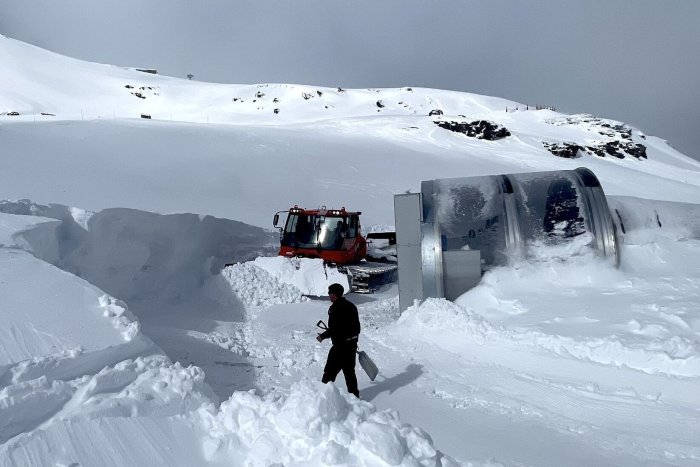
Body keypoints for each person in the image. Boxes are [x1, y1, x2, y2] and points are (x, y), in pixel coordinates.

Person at [317, 283, 361, 397]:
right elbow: (357, 328)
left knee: (329, 372)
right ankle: (355, 396)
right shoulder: (351, 306)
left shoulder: (335, 309)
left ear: (334, 294)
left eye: (329, 293)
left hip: (340, 347)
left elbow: (334, 329)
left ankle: (322, 396)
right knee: (349, 371)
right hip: (351, 345)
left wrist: (322, 336)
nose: (328, 296)